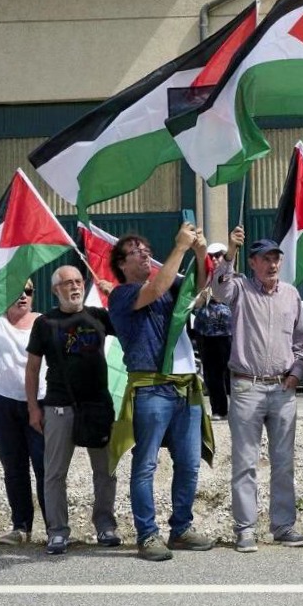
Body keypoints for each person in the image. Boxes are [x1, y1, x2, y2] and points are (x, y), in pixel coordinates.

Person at [106, 223, 216, 562]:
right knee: (146, 465)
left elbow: (199, 284)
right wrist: (180, 248)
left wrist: (199, 251)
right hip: (151, 386)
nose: (144, 253)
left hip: (185, 386)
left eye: (146, 248)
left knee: (188, 463)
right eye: (135, 251)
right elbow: (154, 290)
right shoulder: (122, 294)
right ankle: (147, 534)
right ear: (121, 264)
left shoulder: (169, 284)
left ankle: (180, 528)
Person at [211, 230, 303, 552]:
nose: (272, 264)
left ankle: (283, 527)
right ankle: (245, 530)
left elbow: (301, 342)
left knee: (284, 462)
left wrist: (296, 374)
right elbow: (217, 289)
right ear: (252, 262)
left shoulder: (291, 295)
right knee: (245, 463)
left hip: (282, 389)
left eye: (276, 258)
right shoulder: (239, 288)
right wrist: (230, 252)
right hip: (246, 387)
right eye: (266, 258)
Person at [26, 266, 121, 556]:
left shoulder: (99, 316)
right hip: (59, 406)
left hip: (97, 406)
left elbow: (132, 323)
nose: (74, 287)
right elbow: (32, 368)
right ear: (56, 290)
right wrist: (33, 407)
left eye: (79, 281)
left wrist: (113, 296)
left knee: (106, 471)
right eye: (67, 283)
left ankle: (105, 525)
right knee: (54, 473)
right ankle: (57, 531)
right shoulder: (45, 323)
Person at [0, 282, 46, 545]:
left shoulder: (44, 322)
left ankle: (55, 528)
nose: (23, 295)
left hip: (38, 402)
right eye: (17, 290)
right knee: (14, 467)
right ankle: (21, 526)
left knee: (44, 466)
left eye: (28, 290)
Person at [189, 245, 233, 420]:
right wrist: (204, 295)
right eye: (211, 256)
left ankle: (237, 408)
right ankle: (219, 409)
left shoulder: (236, 279)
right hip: (206, 333)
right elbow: (192, 305)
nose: (214, 259)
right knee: (212, 373)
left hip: (229, 332)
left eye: (218, 256)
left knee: (233, 372)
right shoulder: (201, 280)